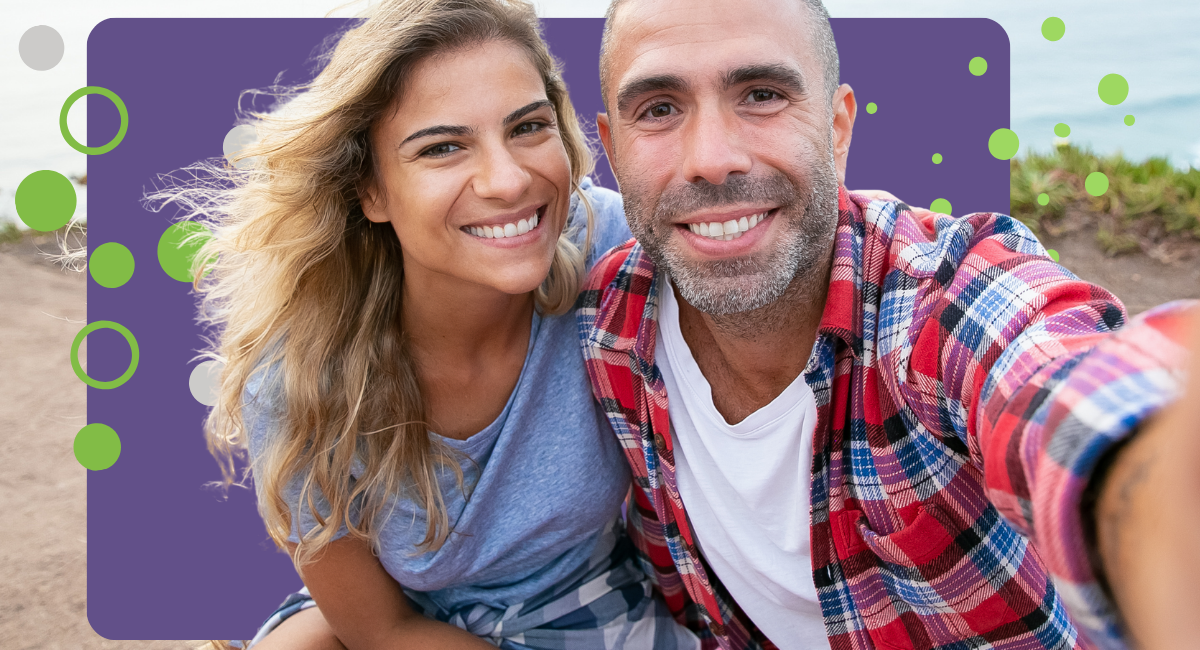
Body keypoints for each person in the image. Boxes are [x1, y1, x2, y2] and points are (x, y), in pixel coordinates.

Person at [580, 0, 1200, 648]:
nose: (710, 158)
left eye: (761, 95)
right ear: (614, 152)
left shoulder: (935, 306)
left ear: (838, 128)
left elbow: (1051, 369)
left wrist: (1144, 483)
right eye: (658, 109)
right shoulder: (610, 324)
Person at [160, 0, 703, 648]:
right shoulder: (295, 376)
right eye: (443, 147)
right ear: (372, 191)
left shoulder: (614, 248)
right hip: (403, 620)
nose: (507, 181)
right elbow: (380, 628)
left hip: (590, 605)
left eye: (529, 127)